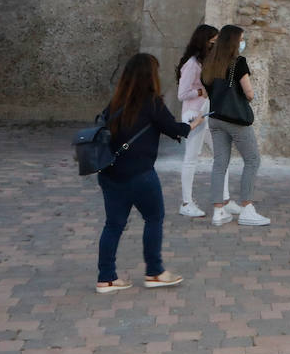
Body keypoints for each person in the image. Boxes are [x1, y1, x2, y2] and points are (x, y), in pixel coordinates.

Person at [94, 53, 205, 293]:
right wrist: (194, 124)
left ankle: (106, 278)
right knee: (153, 219)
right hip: (140, 174)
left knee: (113, 225)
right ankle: (154, 272)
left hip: (111, 174)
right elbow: (174, 128)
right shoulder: (151, 102)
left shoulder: (114, 102)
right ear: (150, 76)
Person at [201, 24, 269, 227]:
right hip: (236, 119)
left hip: (215, 118)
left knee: (219, 163)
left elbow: (207, 92)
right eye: (240, 40)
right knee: (252, 160)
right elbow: (248, 93)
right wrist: (250, 96)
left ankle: (218, 211)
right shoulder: (238, 63)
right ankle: (247, 206)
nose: (242, 43)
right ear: (233, 42)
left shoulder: (209, 62)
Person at [175, 24, 236, 218]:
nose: (215, 44)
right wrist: (202, 91)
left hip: (209, 114)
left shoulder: (205, 62)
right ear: (204, 41)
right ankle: (186, 202)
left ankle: (225, 200)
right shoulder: (192, 64)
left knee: (222, 155)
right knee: (191, 159)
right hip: (194, 115)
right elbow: (182, 94)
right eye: (213, 41)